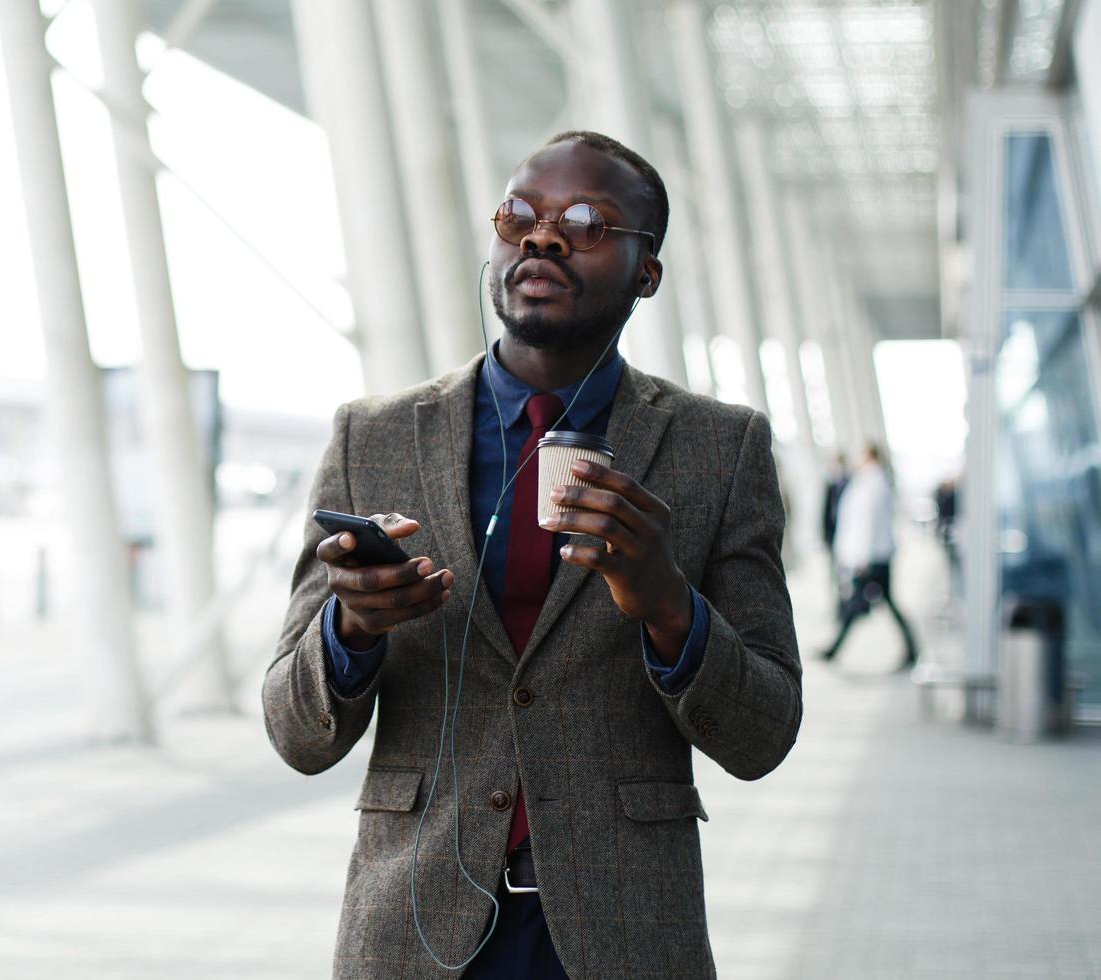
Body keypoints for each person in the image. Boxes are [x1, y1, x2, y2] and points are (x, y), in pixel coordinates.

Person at [263, 131, 802, 979]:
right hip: (416, 927)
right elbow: (294, 731)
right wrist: (350, 630)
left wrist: (670, 607)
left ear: (646, 273)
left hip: (623, 932)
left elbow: (765, 732)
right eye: (520, 214)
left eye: (588, 223)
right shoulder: (374, 437)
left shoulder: (719, 448)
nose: (542, 237)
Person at [820, 442, 919, 668]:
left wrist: (861, 557)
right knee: (880, 603)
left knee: (859, 604)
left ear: (870, 456)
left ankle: (833, 649)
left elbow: (867, 524)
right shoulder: (871, 481)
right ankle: (911, 649)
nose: (856, 458)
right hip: (875, 556)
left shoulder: (873, 483)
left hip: (871, 558)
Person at [822, 453, 849, 590]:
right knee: (834, 570)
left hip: (846, 534)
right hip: (833, 534)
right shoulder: (830, 486)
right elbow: (825, 513)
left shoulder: (850, 483)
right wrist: (825, 536)